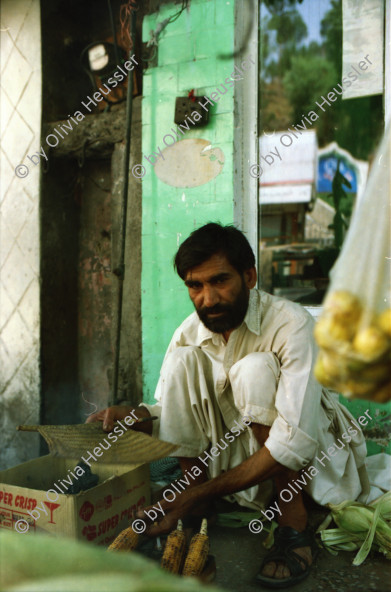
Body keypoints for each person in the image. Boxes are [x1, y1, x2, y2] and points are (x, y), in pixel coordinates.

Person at [88, 222, 369, 588]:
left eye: (220, 281)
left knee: (253, 369)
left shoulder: (292, 325)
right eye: (195, 286)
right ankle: (196, 499)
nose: (208, 299)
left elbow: (293, 441)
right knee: (181, 361)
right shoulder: (190, 331)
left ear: (249, 276)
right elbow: (172, 410)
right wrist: (139, 416)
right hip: (236, 455)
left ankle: (292, 522)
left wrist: (198, 493)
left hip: (302, 463)